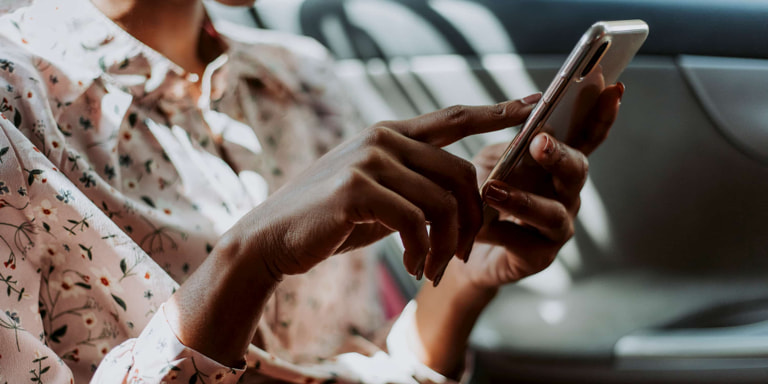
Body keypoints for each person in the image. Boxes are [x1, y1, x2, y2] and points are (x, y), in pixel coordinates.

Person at [0, 0, 623, 382]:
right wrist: (250, 259)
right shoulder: (17, 105)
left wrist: (464, 281)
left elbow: (361, 364)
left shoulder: (305, 79)